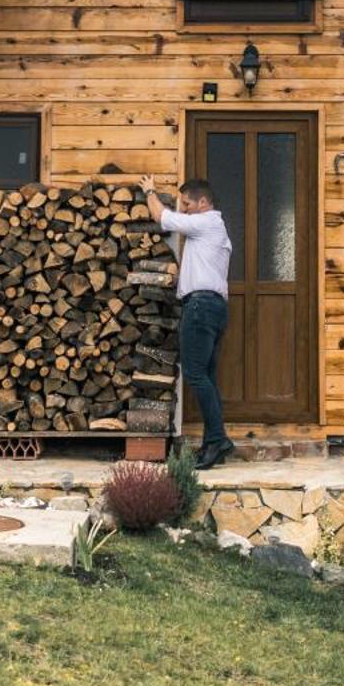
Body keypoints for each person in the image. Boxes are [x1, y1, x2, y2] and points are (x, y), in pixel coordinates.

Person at [139, 174, 235, 469]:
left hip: (201, 306)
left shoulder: (206, 222)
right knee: (206, 375)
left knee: (195, 375)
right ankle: (214, 442)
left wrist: (150, 190)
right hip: (215, 307)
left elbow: (161, 217)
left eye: (188, 204)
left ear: (204, 202)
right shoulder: (213, 228)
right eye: (183, 204)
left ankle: (218, 441)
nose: (185, 209)